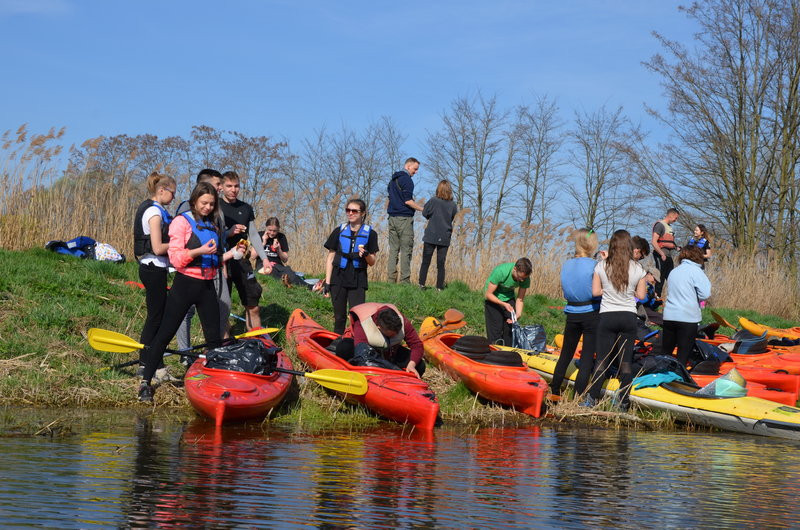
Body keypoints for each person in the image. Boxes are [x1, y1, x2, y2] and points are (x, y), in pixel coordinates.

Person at [138, 181, 248, 402]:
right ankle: (145, 383)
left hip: (207, 286)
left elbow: (214, 260)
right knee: (164, 335)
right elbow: (177, 259)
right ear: (194, 201)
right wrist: (199, 250)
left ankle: (216, 385)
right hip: (185, 285)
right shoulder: (181, 222)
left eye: (211, 204)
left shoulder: (213, 225)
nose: (208, 207)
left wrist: (233, 253)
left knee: (214, 340)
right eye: (204, 203)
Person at [585, 229, 647, 411]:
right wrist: (630, 292)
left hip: (607, 316)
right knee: (625, 362)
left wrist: (608, 291)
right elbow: (642, 296)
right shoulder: (638, 269)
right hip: (628, 317)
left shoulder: (601, 266)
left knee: (602, 361)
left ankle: (592, 399)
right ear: (630, 246)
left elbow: (595, 293)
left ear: (612, 245)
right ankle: (623, 402)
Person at [175, 169, 232, 354]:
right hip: (192, 273)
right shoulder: (186, 210)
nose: (221, 188)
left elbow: (216, 239)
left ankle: (215, 350)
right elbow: (181, 247)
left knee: (223, 306)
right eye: (218, 185)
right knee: (186, 312)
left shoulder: (214, 210)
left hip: (213, 268)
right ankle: (185, 352)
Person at [132, 171, 176, 382]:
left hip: (155, 268)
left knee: (158, 317)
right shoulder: (154, 213)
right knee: (155, 318)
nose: (174, 198)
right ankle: (146, 364)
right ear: (161, 191)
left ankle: (153, 362)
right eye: (172, 193)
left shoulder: (155, 209)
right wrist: (179, 245)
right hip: (153, 267)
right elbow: (158, 248)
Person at [551, 229, 600, 401]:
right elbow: (597, 291)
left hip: (572, 312)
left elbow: (565, 291)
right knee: (587, 357)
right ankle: (577, 397)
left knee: (565, 354)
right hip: (591, 312)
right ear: (592, 245)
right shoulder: (595, 265)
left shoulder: (567, 264)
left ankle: (554, 391)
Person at [323, 199, 379, 334]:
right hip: (338, 277)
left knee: (356, 317)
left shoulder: (371, 234)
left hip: (357, 278)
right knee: (339, 317)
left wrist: (365, 254)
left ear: (363, 213)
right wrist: (327, 282)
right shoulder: (339, 230)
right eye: (348, 210)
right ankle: (337, 342)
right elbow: (331, 257)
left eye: (354, 211)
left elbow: (372, 262)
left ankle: (355, 344)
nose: (350, 213)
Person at [219, 171, 263, 330]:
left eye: (236, 186)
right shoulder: (214, 206)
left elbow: (253, 234)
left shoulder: (246, 208)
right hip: (221, 260)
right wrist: (228, 232)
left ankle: (257, 342)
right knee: (221, 307)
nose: (233, 189)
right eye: (229, 186)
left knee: (253, 305)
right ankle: (223, 344)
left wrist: (264, 258)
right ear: (221, 187)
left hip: (242, 260)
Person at [335, 303, 426, 377]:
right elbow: (362, 354)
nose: (396, 335)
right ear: (379, 327)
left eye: (397, 332)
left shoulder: (402, 322)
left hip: (390, 352)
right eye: (392, 334)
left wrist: (411, 365)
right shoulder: (363, 322)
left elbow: (417, 345)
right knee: (344, 348)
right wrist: (392, 370)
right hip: (365, 350)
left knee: (420, 365)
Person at [661, 245, 711, 366]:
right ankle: (679, 378)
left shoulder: (674, 271)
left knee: (666, 354)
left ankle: (661, 376)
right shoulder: (697, 271)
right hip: (687, 318)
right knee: (682, 356)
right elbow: (705, 294)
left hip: (669, 316)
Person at [387, 157, 423, 284]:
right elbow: (408, 201)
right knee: (406, 250)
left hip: (392, 218)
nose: (416, 172)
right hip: (404, 219)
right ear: (408, 166)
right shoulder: (407, 180)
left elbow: (390, 199)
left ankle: (390, 280)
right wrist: (422, 209)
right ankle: (404, 281)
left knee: (393, 250)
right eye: (415, 169)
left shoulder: (392, 181)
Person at [418, 180, 458, 291]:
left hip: (431, 234)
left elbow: (425, 213)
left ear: (438, 189)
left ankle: (421, 284)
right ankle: (439, 287)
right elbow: (452, 217)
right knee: (441, 263)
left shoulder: (433, 201)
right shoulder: (453, 204)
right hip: (445, 236)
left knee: (426, 261)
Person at [483, 258, 532, 345]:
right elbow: (488, 294)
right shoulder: (501, 271)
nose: (521, 281)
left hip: (508, 298)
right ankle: (494, 351)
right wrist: (503, 304)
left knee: (510, 328)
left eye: (524, 278)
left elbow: (520, 299)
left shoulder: (525, 278)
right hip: (493, 298)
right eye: (520, 277)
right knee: (496, 329)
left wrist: (518, 315)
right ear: (515, 269)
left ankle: (508, 352)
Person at [260, 217, 318, 290]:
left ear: (278, 229)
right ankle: (285, 282)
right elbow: (253, 256)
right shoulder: (260, 235)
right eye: (270, 230)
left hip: (278, 265)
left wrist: (278, 249)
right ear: (266, 228)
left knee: (289, 272)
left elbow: (285, 259)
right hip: (263, 265)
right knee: (272, 271)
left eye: (275, 231)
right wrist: (264, 242)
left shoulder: (281, 237)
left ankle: (312, 287)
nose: (272, 233)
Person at [651, 208, 679, 297]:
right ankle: (656, 298)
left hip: (668, 256)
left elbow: (669, 243)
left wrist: (676, 247)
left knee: (671, 278)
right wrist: (661, 253)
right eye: (676, 218)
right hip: (660, 255)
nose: (676, 220)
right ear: (671, 215)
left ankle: (674, 298)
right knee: (660, 278)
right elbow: (654, 242)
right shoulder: (660, 225)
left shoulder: (669, 227)